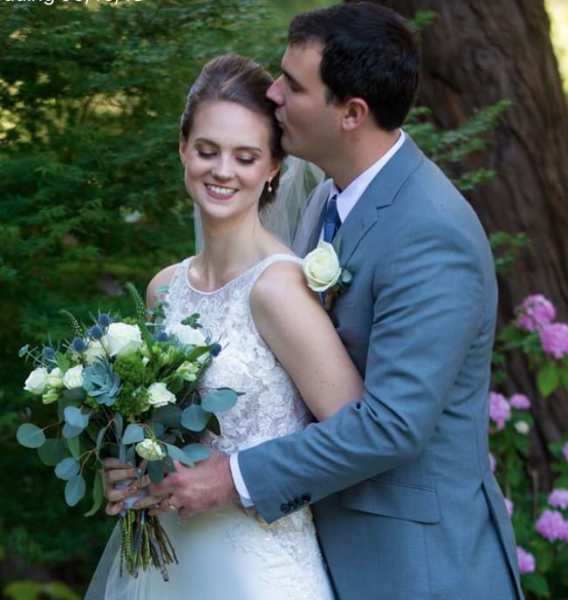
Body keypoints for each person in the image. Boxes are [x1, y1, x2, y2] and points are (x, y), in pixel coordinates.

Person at [104, 3, 526, 599]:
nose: (273, 94)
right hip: (300, 546)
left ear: (352, 113)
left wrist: (233, 478)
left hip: (415, 567)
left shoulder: (431, 232)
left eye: (293, 85)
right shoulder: (326, 203)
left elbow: (392, 425)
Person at [88, 53, 363, 599]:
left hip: (259, 565)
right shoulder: (164, 289)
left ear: (273, 167)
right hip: (167, 562)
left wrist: (237, 479)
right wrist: (124, 466)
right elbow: (157, 431)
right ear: (182, 148)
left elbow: (355, 432)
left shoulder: (279, 288)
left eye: (245, 156)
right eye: (207, 150)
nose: (222, 171)